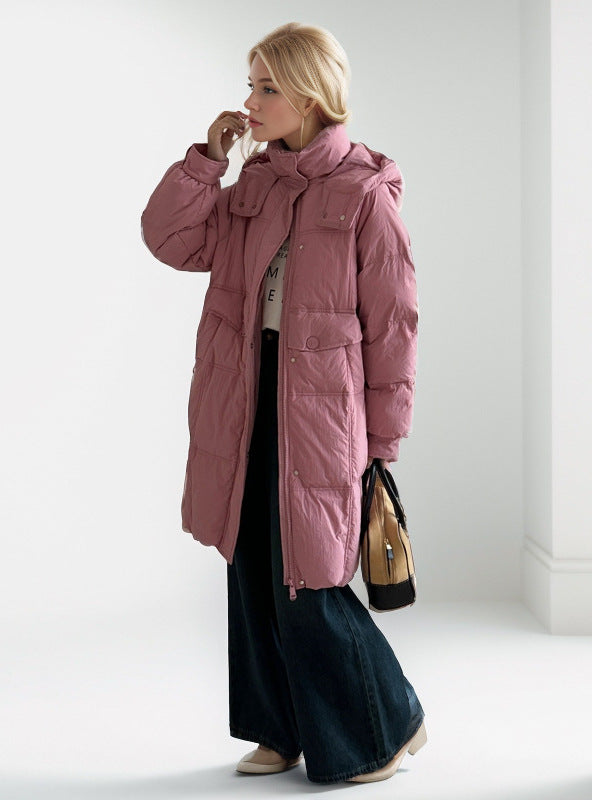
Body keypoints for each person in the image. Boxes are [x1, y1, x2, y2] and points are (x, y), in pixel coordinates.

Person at [141, 21, 426, 785]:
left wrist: (382, 442)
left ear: (309, 95)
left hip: (324, 412)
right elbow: (170, 240)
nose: (251, 101)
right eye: (251, 84)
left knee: (309, 578)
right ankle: (279, 727)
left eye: (267, 87)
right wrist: (206, 162)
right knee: (252, 565)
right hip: (244, 396)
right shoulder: (252, 185)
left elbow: (394, 325)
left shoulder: (364, 192)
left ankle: (387, 725)